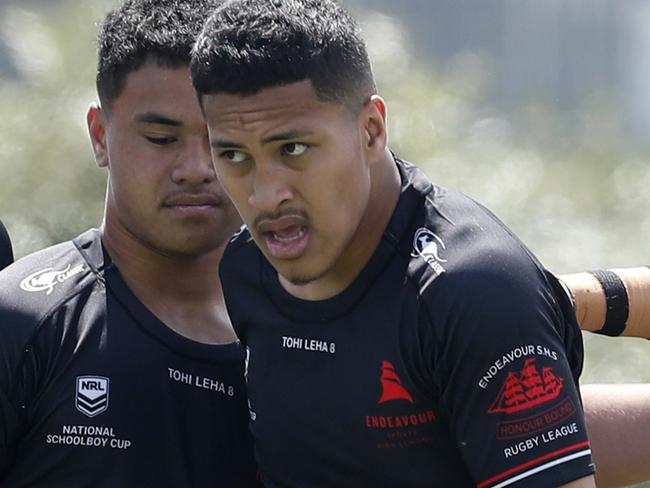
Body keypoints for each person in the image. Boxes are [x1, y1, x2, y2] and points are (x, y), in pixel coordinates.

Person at [191, 0, 596, 486]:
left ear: (371, 130)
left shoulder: (473, 292)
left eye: (292, 149)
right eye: (233, 155)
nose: (265, 195)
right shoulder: (243, 269)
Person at [0, 0, 258, 486]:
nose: (197, 168)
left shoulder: (305, 334)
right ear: (100, 135)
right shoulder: (21, 320)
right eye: (162, 138)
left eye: (222, 140)